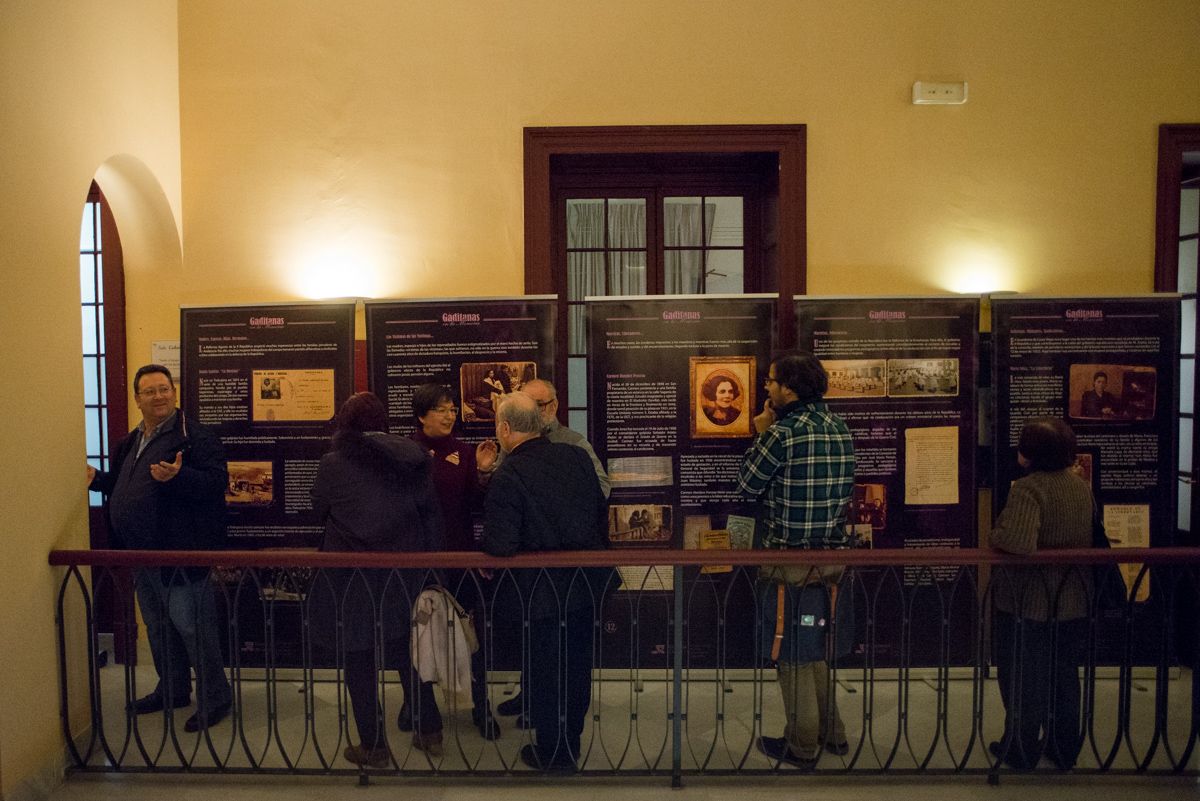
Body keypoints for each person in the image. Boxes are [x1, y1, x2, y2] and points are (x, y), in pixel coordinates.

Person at [86, 364, 233, 734]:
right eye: (149, 391)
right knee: (158, 627)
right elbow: (125, 486)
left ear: (174, 392)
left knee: (193, 629)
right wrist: (98, 480)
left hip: (180, 555)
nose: (158, 396)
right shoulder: (131, 441)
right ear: (137, 399)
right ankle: (173, 690)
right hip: (141, 556)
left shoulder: (194, 437)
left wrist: (179, 476)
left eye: (164, 389)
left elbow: (216, 483)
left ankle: (216, 698)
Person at [308, 392, 445, 767]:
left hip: (353, 578)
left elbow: (319, 508)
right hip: (405, 572)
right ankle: (430, 730)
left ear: (346, 424)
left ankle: (374, 746)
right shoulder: (414, 456)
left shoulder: (333, 463)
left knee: (359, 659)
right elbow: (430, 515)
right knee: (409, 652)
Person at [735, 351, 856, 769]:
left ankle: (803, 743)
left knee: (790, 650)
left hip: (788, 563)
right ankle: (832, 732)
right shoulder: (839, 427)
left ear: (789, 388)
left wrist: (762, 431)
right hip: (831, 562)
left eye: (771, 380)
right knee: (815, 644)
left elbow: (747, 485)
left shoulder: (782, 434)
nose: (766, 387)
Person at [480, 392, 610, 772]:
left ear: (505, 428)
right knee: (576, 669)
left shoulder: (509, 473)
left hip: (539, 593)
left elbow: (501, 543)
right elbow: (598, 511)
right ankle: (570, 744)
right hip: (584, 584)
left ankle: (554, 752)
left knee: (546, 671)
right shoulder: (576, 456)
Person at [989, 417, 1093, 770]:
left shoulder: (1028, 489)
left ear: (1031, 452)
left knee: (1023, 678)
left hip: (1030, 601)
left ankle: (1020, 748)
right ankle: (1064, 749)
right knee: (1064, 676)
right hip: (1072, 598)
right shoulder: (1079, 486)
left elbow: (1017, 541)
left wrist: (994, 533)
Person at [409, 383, 501, 738]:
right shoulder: (407, 453)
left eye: (452, 409)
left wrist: (482, 472)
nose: (450, 416)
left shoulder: (464, 452)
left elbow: (475, 504)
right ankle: (420, 709)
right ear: (422, 416)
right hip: (420, 559)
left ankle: (480, 706)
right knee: (419, 633)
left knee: (470, 635)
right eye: (441, 410)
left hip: (460, 557)